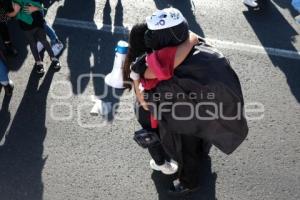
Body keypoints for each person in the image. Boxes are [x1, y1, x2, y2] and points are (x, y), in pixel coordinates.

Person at [127, 8, 248, 196]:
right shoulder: (197, 45)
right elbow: (191, 38)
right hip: (206, 112)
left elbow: (147, 102)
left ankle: (189, 183)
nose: (149, 36)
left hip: (187, 120)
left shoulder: (158, 66)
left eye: (153, 33)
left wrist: (137, 77)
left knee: (186, 151)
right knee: (198, 141)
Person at [7, 0, 60, 75]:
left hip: (38, 22)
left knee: (43, 41)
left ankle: (53, 58)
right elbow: (14, 12)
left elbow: (42, 6)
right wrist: (10, 13)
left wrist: (34, 8)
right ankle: (38, 63)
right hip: (26, 26)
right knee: (33, 43)